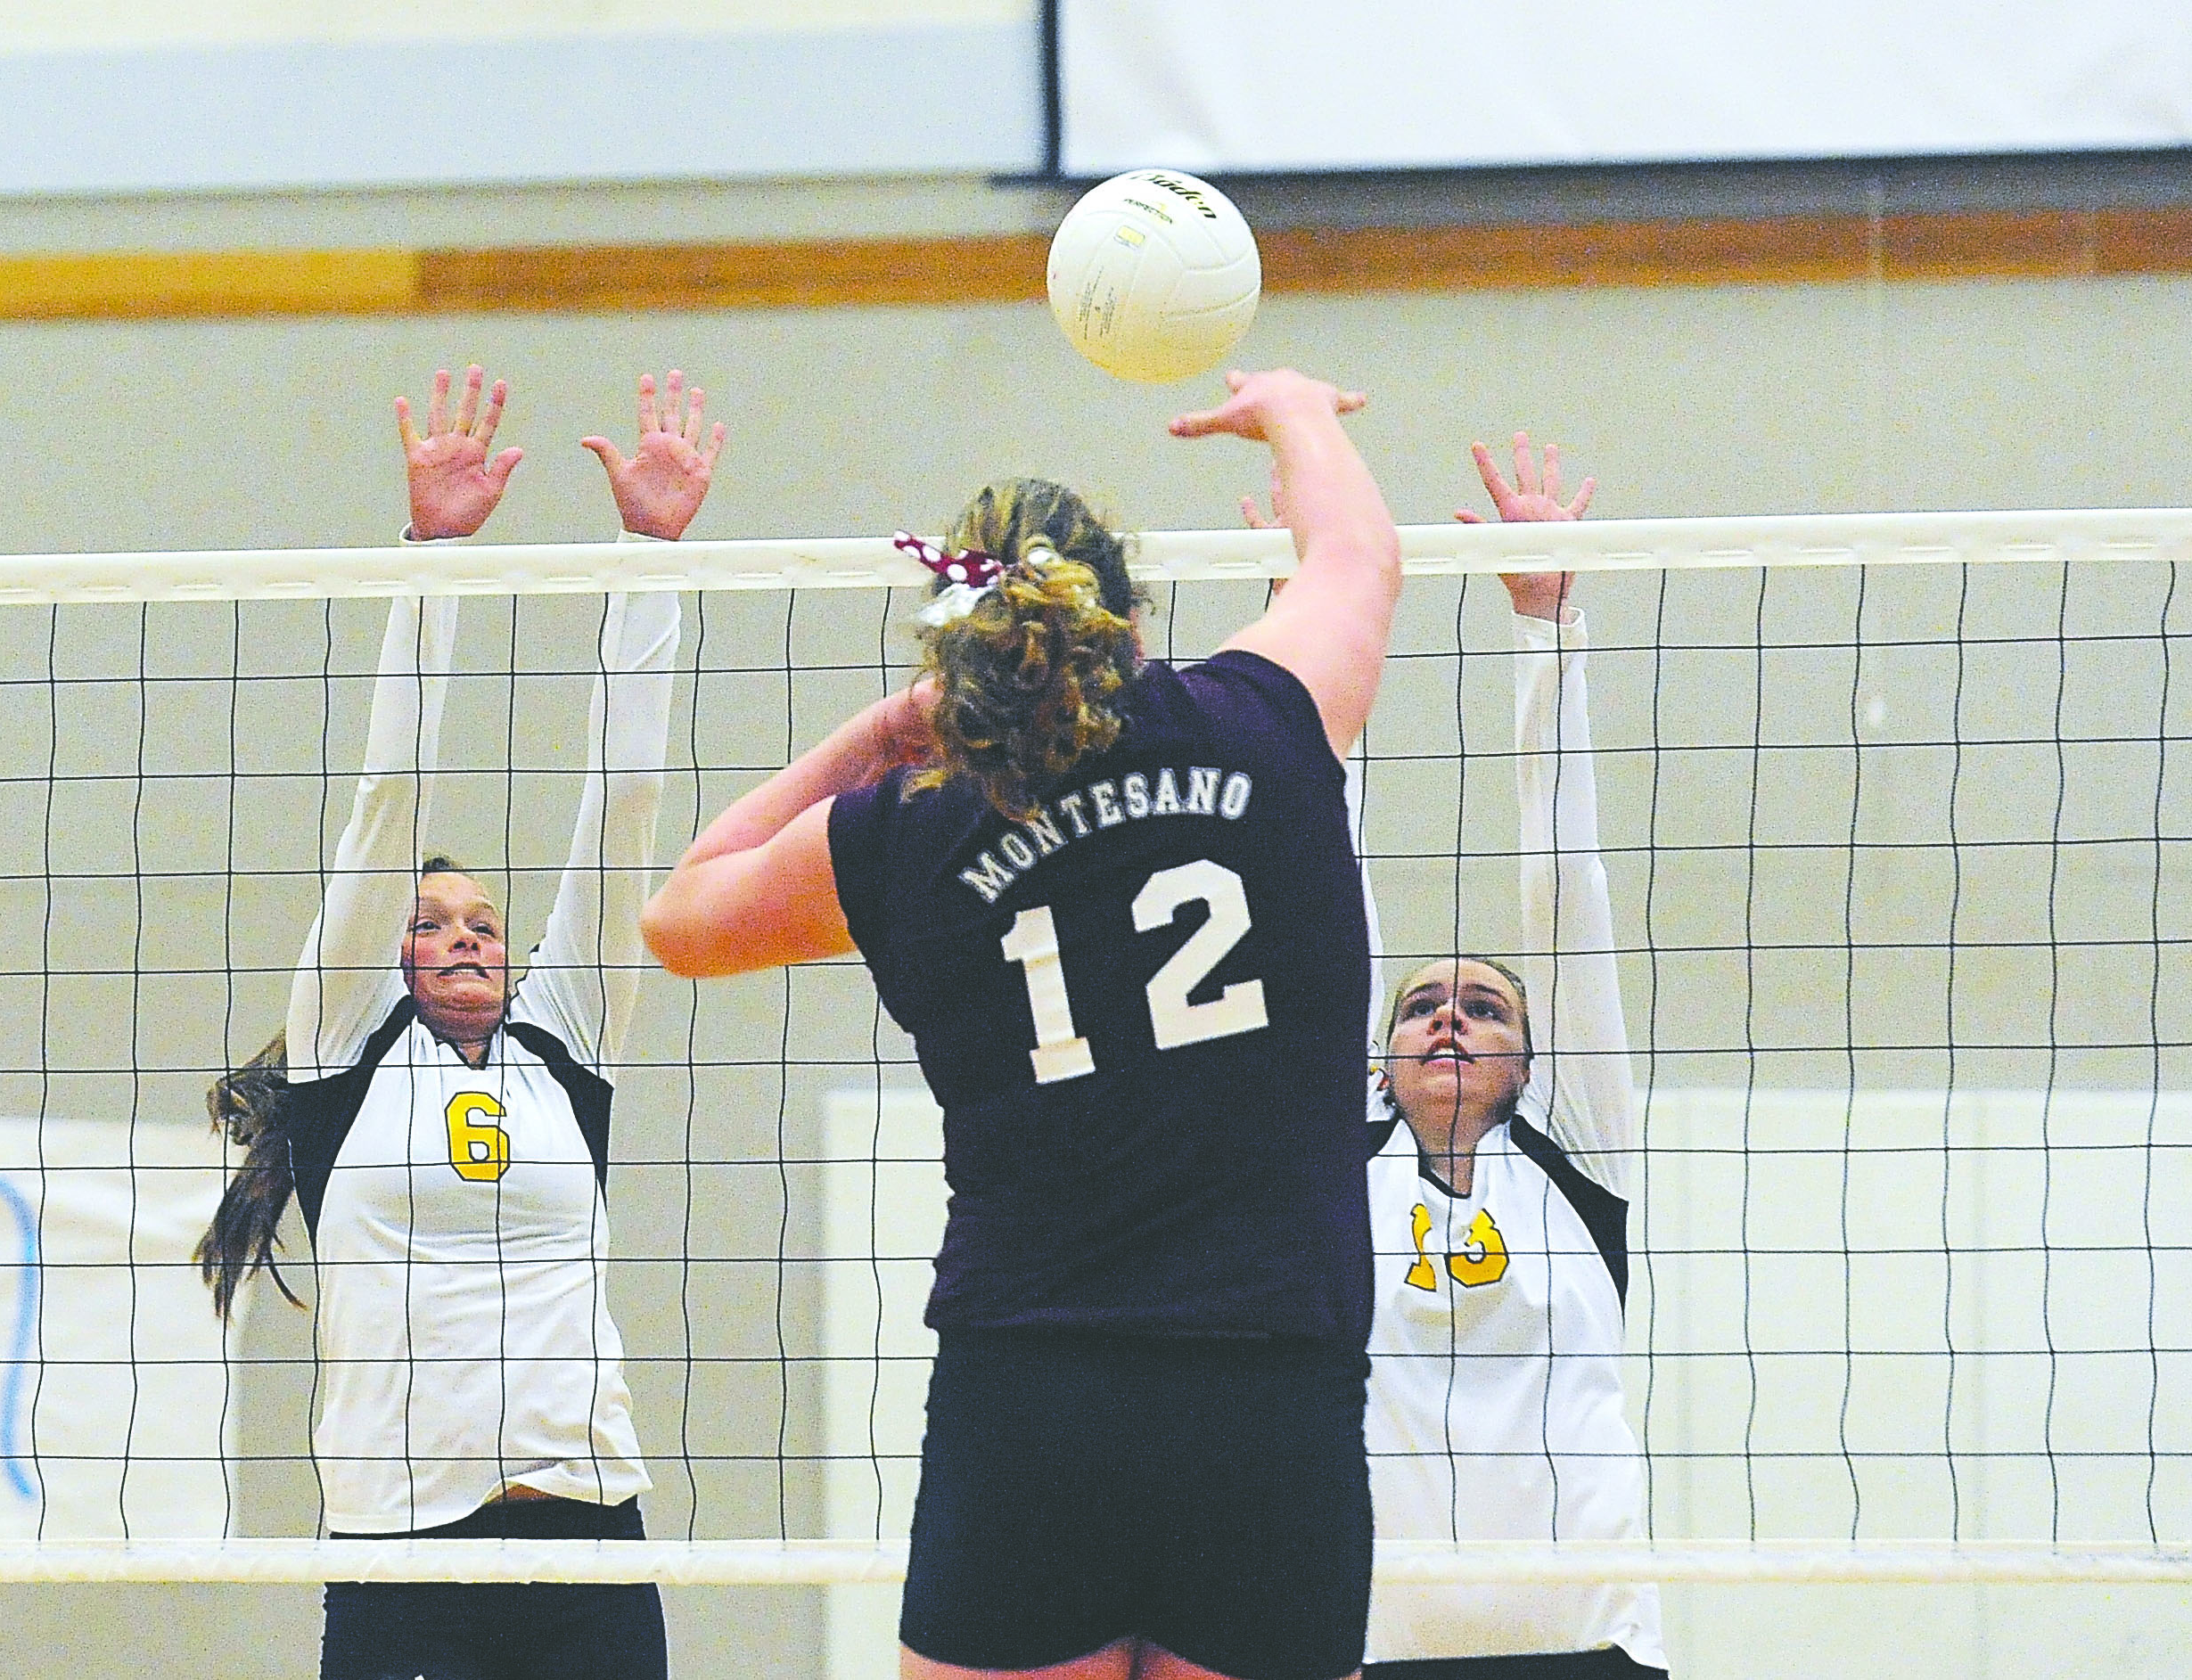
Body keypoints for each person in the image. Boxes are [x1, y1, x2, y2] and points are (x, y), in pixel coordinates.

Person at [642, 368, 1400, 1680]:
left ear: (953, 650)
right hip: (1269, 1384)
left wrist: (873, 742)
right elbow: (1356, 549)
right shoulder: (1264, 715)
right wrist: (1292, 411)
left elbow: (679, 919)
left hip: (1033, 1391)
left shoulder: (905, 835)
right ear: (1131, 615)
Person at [196, 365, 725, 1680]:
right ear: (384, 953)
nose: (467, 932)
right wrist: (434, 558)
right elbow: (391, 795)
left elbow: (626, 807)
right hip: (403, 1560)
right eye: (430, 922)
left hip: (588, 1542)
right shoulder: (342, 1055)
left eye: (483, 917)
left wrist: (647, 560)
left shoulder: (565, 1041)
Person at [1349, 436, 1668, 1679]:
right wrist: (1311, 680)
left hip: (1586, 1649)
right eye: (1422, 1004)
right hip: (1370, 1649)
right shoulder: (1333, 1164)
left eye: (1483, 1007)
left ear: (1534, 1062)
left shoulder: (1577, 1160)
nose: (1446, 1017)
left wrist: (1547, 630)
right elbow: (1325, 899)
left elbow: (1565, 896)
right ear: (1375, 1065)